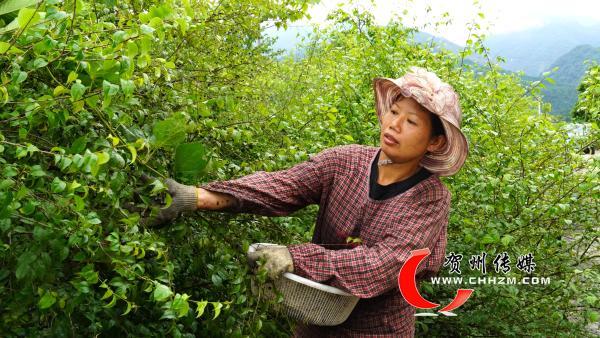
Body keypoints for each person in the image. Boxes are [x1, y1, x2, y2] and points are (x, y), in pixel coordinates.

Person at [148, 67, 469, 337]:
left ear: (435, 141)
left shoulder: (430, 199)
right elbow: (283, 185)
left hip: (377, 331)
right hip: (314, 325)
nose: (394, 125)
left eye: (411, 122)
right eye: (394, 112)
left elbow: (386, 263)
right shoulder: (345, 162)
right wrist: (196, 197)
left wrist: (297, 258)